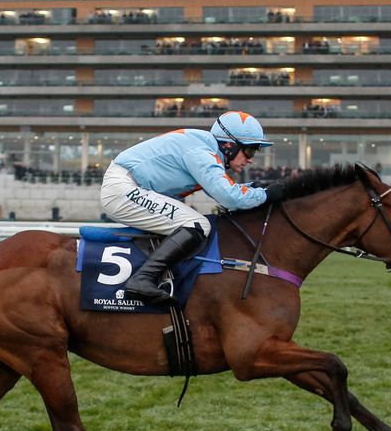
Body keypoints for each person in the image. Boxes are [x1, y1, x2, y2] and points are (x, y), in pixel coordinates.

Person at [100, 111, 280, 304]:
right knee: (197, 224)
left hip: (128, 186)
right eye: (250, 150)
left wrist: (259, 189)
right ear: (229, 145)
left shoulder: (206, 148)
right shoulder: (202, 152)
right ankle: (141, 280)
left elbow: (222, 190)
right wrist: (269, 194)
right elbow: (229, 197)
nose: (251, 159)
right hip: (123, 188)